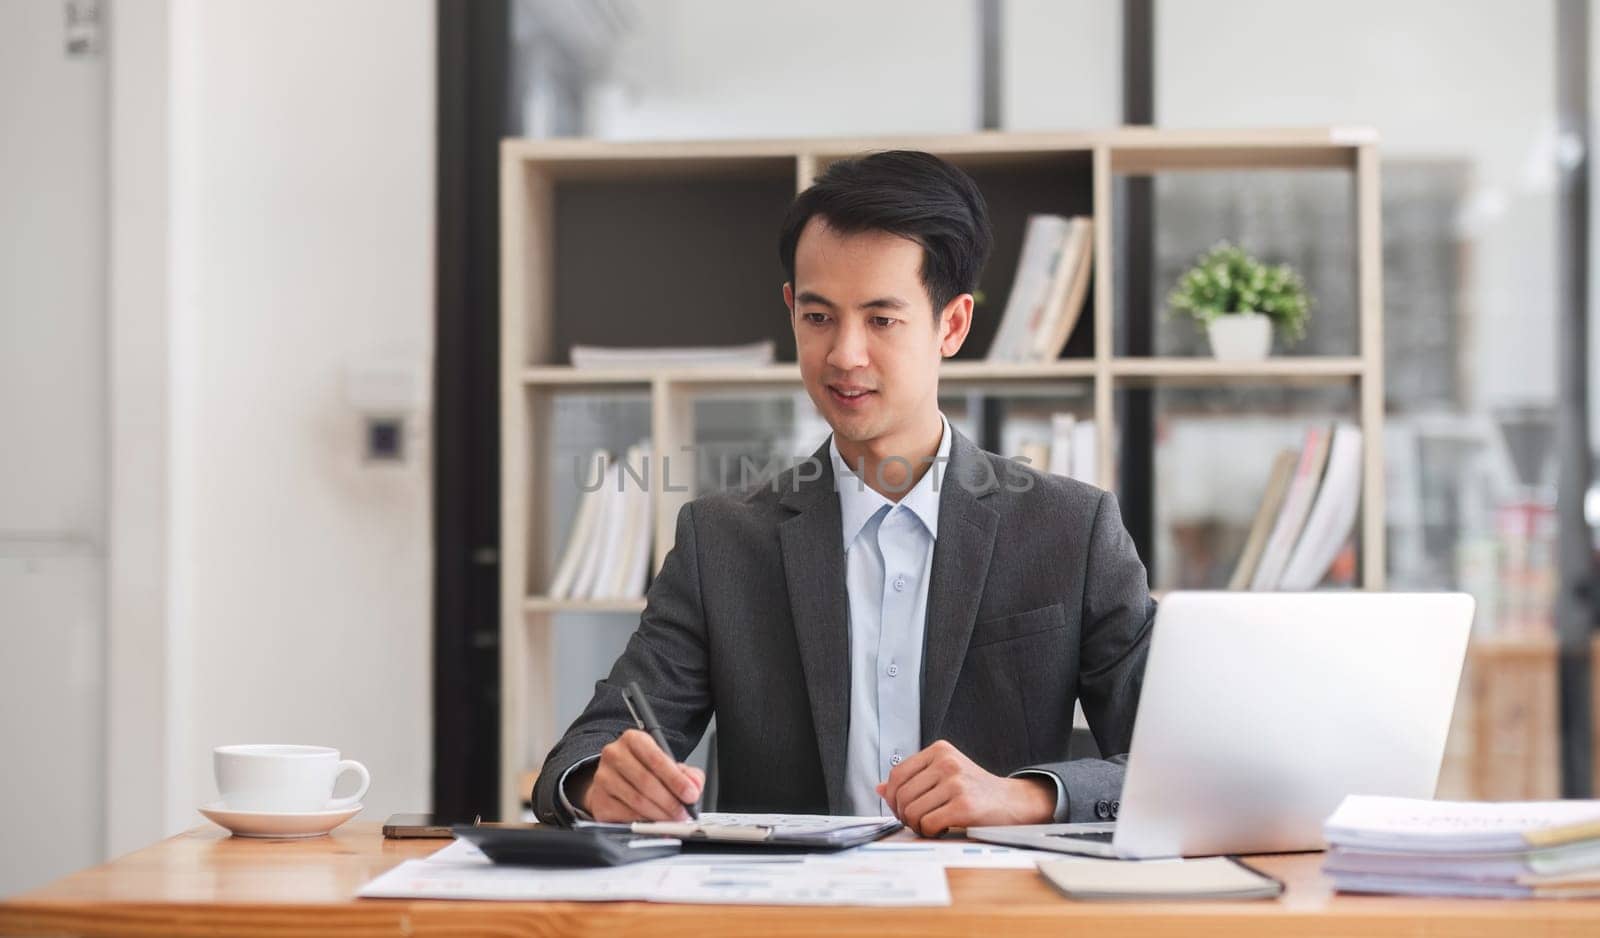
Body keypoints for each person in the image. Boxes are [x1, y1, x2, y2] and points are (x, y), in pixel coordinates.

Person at [532, 150, 1155, 836]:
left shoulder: (1070, 529)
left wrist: (1028, 797)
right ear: (792, 309)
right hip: (791, 914)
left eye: (882, 320)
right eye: (820, 317)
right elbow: (584, 753)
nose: (844, 355)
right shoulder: (723, 542)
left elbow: (1177, 759)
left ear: (951, 325)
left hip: (989, 911)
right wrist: (598, 782)